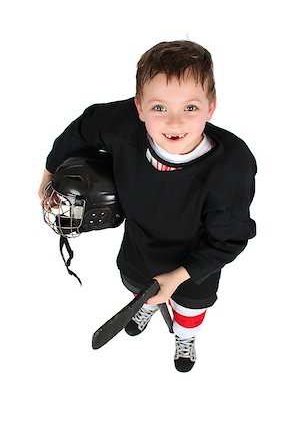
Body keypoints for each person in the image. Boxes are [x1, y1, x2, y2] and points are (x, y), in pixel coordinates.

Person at [38, 40, 256, 372]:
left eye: (190, 108)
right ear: (139, 107)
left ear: (211, 107)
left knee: (189, 308)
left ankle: (185, 337)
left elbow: (229, 239)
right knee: (143, 287)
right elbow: (82, 129)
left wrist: (180, 276)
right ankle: (148, 306)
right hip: (141, 243)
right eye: (159, 108)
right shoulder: (122, 125)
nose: (174, 122)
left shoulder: (230, 168)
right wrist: (49, 172)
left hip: (195, 262)